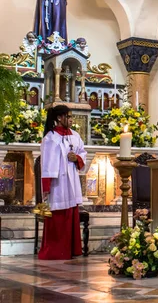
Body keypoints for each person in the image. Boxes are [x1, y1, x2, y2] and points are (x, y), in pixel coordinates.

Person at [38, 105, 87, 260]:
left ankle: (72, 250)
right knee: (58, 215)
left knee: (71, 213)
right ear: (59, 118)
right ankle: (55, 251)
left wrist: (77, 158)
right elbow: (46, 163)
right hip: (57, 184)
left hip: (71, 181)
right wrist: (46, 186)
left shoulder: (75, 135)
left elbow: (83, 153)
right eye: (68, 117)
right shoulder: (50, 138)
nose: (71, 120)